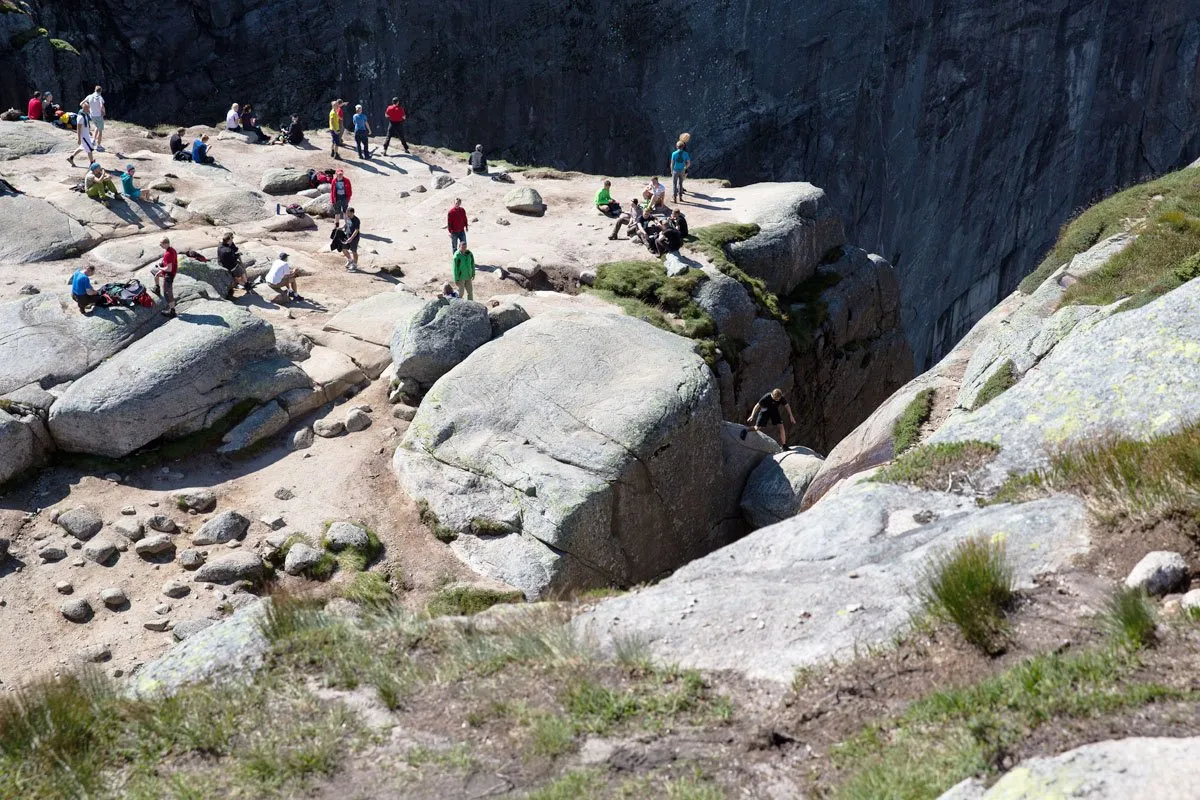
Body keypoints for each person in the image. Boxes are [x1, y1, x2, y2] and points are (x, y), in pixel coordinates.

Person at [153, 237, 179, 317]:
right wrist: (161, 268)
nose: (160, 245)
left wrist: (161, 268)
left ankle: (172, 311)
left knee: (167, 293)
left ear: (166, 243)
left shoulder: (168, 254)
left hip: (169, 275)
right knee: (154, 272)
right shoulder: (171, 250)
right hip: (167, 272)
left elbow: (169, 268)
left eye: (162, 243)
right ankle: (157, 288)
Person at [67, 100, 96, 167]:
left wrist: (89, 131)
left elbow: (86, 124)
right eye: (88, 108)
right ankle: (92, 163)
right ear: (84, 108)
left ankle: (71, 158)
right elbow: (78, 128)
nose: (89, 109)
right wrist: (79, 139)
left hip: (86, 135)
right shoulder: (80, 117)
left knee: (82, 147)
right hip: (84, 137)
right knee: (89, 148)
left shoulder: (84, 114)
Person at [83, 85, 106, 151]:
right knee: (100, 131)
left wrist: (87, 109)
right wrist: (104, 112)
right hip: (98, 116)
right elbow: (102, 106)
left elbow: (82, 103)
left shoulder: (89, 96)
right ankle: (98, 146)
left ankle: (93, 140)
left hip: (92, 115)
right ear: (100, 91)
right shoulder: (99, 97)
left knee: (97, 127)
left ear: (95, 90)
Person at [342, 207, 361, 272]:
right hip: (347, 236)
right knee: (343, 249)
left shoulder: (356, 220)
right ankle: (350, 260)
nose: (347, 214)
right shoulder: (348, 217)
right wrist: (342, 227)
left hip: (354, 238)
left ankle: (354, 264)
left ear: (352, 213)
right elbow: (346, 223)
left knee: (354, 251)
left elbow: (356, 230)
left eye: (348, 213)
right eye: (346, 213)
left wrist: (351, 238)